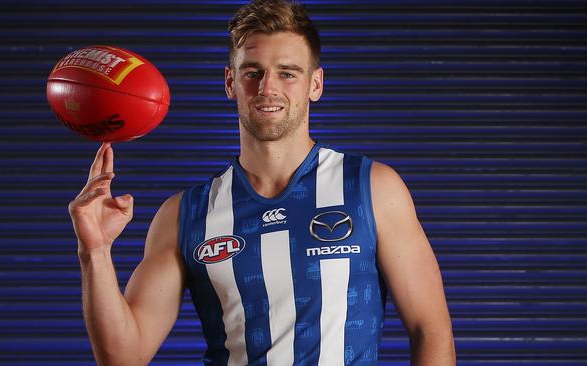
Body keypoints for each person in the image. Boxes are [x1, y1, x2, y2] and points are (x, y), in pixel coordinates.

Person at [68, 0, 456, 364]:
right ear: (229, 82)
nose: (267, 88)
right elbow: (123, 356)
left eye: (287, 73)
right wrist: (96, 252)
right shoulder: (184, 214)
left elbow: (431, 329)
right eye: (252, 72)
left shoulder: (373, 187)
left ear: (315, 85)